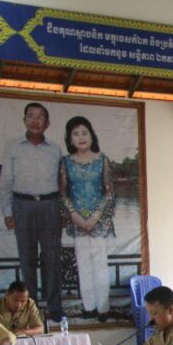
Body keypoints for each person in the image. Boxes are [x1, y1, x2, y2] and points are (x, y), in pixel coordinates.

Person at [0, 102, 64, 320]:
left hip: (50, 205)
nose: (35, 120)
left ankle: (54, 307)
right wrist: (8, 212)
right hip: (22, 206)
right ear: (24, 120)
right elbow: (5, 182)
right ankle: (30, 308)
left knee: (52, 258)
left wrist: (63, 212)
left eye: (40, 117)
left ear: (47, 123)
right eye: (31, 116)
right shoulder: (13, 146)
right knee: (27, 259)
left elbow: (63, 183)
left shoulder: (55, 149)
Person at [58, 116, 115, 322]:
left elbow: (109, 193)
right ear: (70, 139)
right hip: (77, 222)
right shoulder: (66, 162)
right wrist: (75, 216)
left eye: (84, 133)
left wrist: (95, 217)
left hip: (99, 221)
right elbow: (63, 194)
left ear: (92, 135)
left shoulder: (102, 160)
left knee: (100, 265)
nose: (81, 137)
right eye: (76, 134)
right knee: (83, 265)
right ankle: (89, 307)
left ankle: (103, 308)